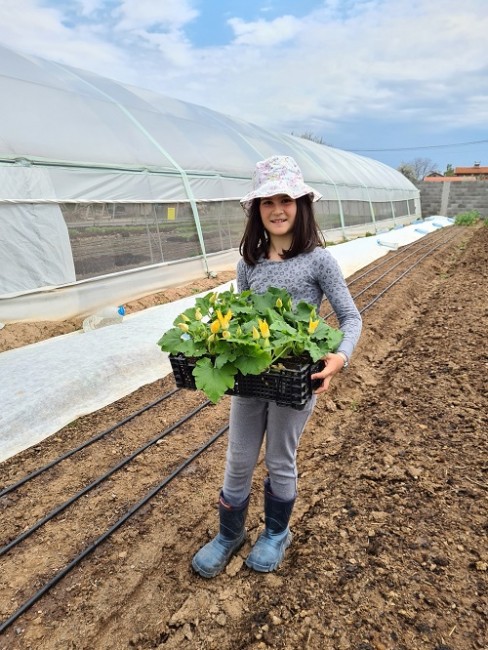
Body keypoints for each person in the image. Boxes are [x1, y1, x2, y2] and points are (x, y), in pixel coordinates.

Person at [192, 155, 362, 578]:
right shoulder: (248, 263)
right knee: (239, 458)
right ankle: (229, 534)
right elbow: (243, 320)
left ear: (301, 205)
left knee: (281, 459)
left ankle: (275, 533)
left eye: (286, 199)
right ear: (257, 211)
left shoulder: (318, 260)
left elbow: (351, 316)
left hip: (295, 379)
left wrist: (339, 357)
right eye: (267, 202)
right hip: (252, 377)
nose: (277, 209)